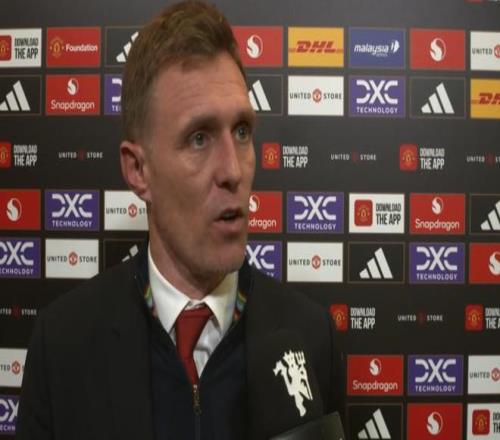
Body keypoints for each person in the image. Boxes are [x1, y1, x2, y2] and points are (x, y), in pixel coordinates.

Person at [17, 1, 343, 439]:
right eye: (199, 138)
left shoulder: (310, 337)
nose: (232, 170)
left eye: (242, 131)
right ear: (138, 170)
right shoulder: (63, 345)